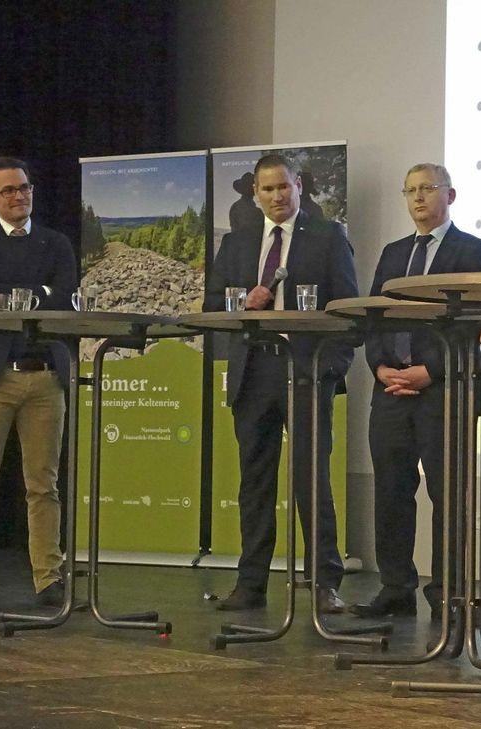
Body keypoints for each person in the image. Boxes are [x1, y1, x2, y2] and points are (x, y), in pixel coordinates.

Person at [203, 153, 358, 613]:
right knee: (254, 482)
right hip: (254, 372)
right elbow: (213, 301)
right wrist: (240, 300)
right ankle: (250, 584)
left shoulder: (328, 237)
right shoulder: (238, 241)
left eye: (284, 187)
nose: (276, 196)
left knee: (313, 480)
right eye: (266, 189)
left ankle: (324, 583)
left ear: (299, 187)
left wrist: (332, 367)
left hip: (307, 372)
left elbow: (349, 310)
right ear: (255, 193)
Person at [350, 164, 481, 620]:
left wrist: (431, 370)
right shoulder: (393, 254)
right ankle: (396, 587)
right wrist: (381, 367)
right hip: (390, 389)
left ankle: (447, 591)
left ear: (450, 195)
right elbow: (374, 317)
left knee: (447, 494)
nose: (417, 198)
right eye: (410, 190)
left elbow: (479, 325)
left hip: (443, 390)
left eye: (427, 189)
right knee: (391, 492)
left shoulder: (474, 250)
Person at [0, 157, 77, 613]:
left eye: (24, 187)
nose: (19, 195)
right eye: (8, 191)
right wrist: (37, 293)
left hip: (44, 376)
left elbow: (67, 294)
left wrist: (21, 295)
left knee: (44, 485)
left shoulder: (56, 241)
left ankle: (49, 579)